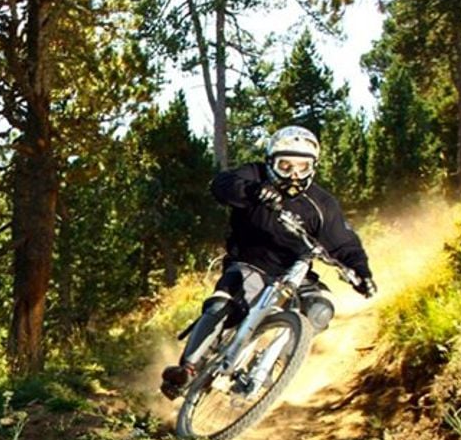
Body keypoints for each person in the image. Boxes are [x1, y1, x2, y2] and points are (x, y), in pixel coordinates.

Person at [160, 125, 377, 400]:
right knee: (222, 303)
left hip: (295, 272)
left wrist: (362, 272)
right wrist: (253, 191)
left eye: (302, 166)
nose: (294, 174)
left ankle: (273, 363)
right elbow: (222, 185)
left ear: (314, 167)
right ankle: (187, 370)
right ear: (271, 162)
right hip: (249, 264)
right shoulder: (254, 175)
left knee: (321, 309)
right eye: (285, 166)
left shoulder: (322, 204)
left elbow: (344, 242)